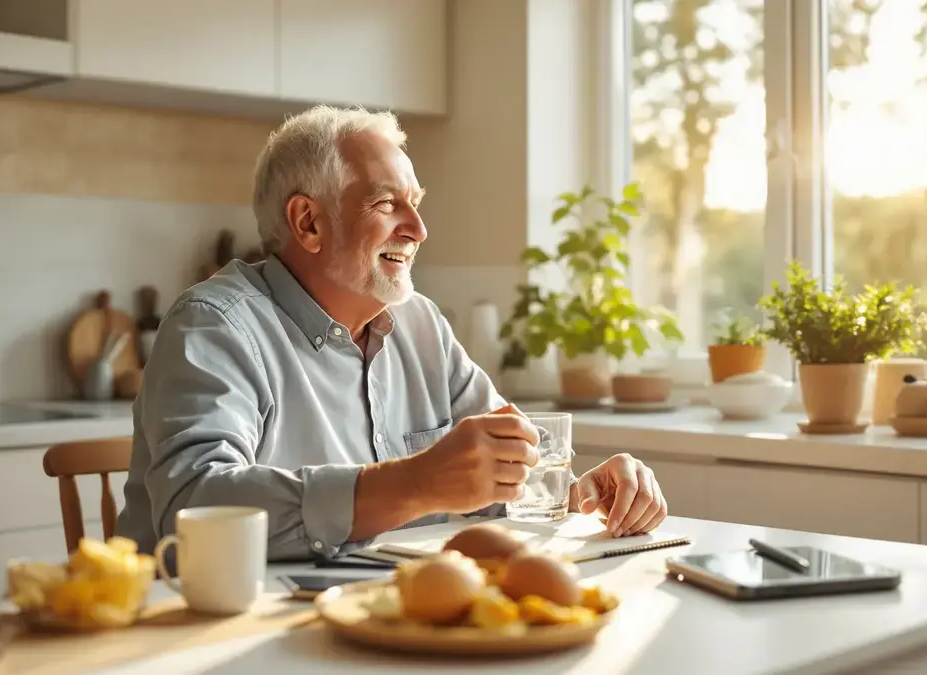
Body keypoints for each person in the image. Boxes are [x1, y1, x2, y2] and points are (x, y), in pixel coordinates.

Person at [115, 105, 668, 562]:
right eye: (386, 203)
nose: (419, 230)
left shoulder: (421, 324)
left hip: (384, 626)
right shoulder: (215, 325)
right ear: (308, 222)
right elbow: (194, 509)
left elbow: (504, 475)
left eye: (416, 205)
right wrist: (416, 483)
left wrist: (583, 494)